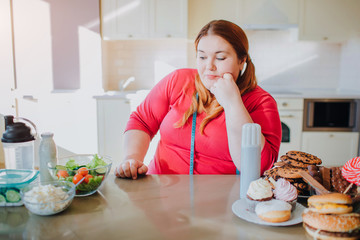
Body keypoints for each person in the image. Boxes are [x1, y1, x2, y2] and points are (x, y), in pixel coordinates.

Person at [115, 20, 281, 179]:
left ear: (241, 61)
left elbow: (258, 167)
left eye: (220, 58)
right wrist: (132, 158)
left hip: (222, 202)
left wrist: (233, 104)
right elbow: (142, 121)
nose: (209, 66)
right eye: (202, 57)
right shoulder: (178, 81)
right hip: (160, 191)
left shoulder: (261, 102)